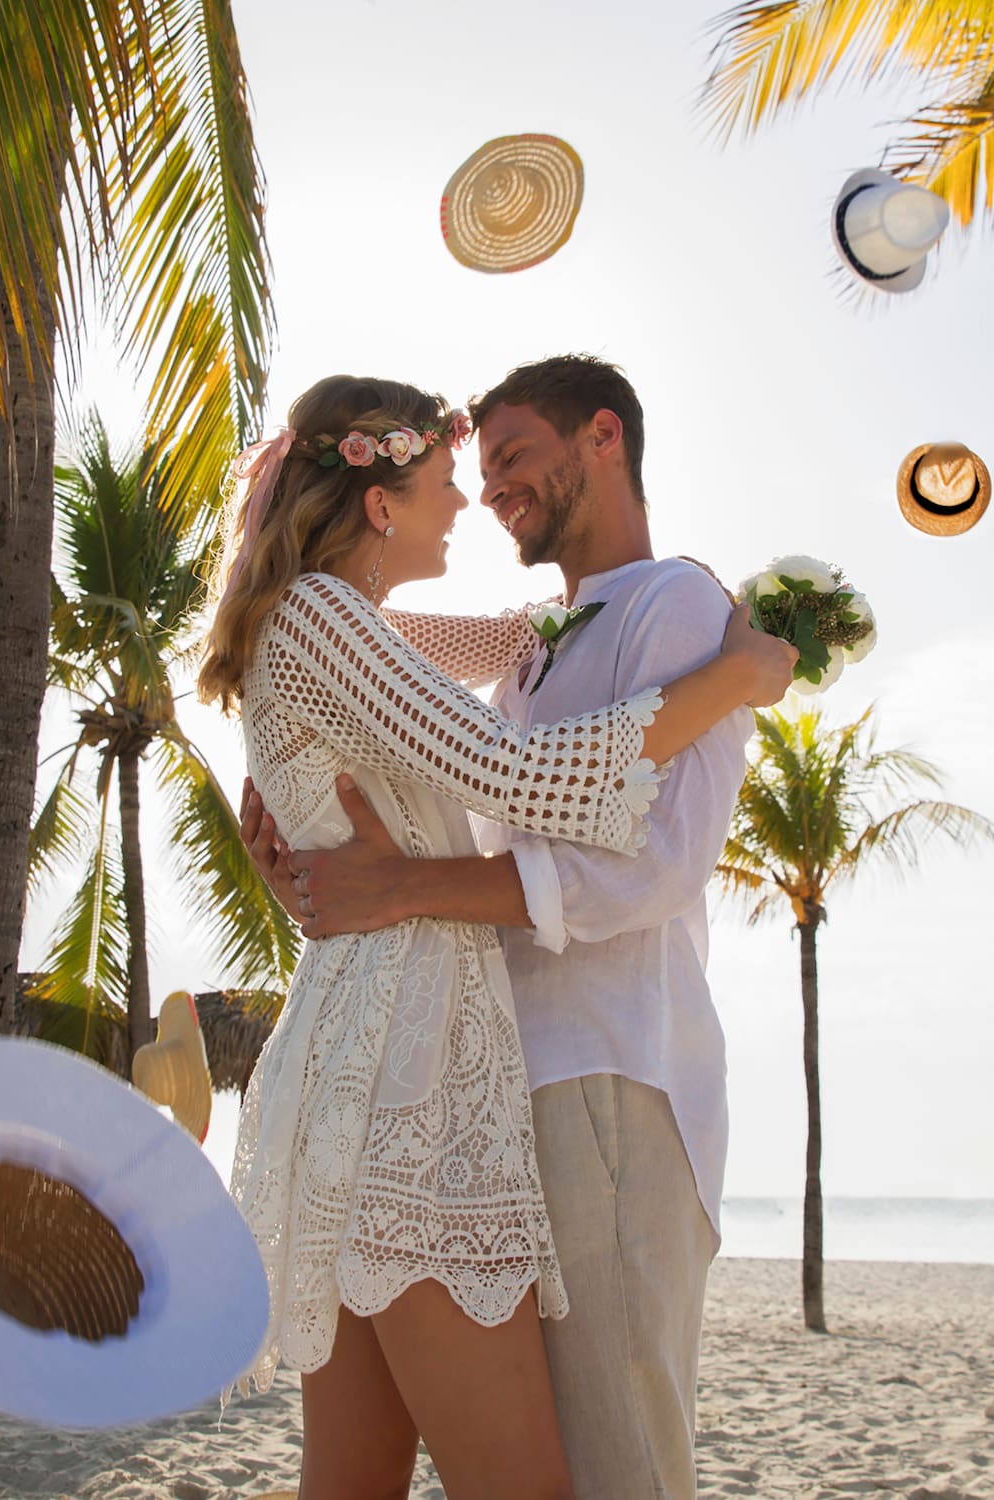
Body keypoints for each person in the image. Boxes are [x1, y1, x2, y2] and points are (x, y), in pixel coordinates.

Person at [198, 371, 796, 1500]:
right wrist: (733, 677)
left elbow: (512, 637)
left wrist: (662, 606)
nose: (470, 500)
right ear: (378, 502)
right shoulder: (328, 619)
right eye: (442, 479)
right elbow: (520, 771)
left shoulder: (338, 622)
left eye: (496, 464)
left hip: (358, 1063)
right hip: (411, 1073)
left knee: (352, 1483)